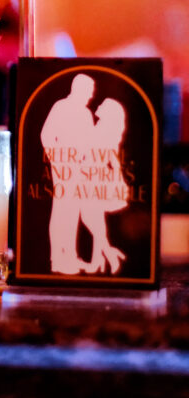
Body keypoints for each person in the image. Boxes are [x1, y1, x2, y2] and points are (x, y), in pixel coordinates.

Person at [40, 73, 96, 274]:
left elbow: (90, 142)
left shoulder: (86, 113)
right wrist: (57, 158)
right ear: (78, 89)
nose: (90, 96)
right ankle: (57, 258)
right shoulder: (61, 107)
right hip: (63, 168)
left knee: (74, 212)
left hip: (80, 170)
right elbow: (46, 135)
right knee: (63, 210)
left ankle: (70, 256)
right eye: (88, 91)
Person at [80, 97, 128, 274]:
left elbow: (108, 154)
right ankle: (105, 256)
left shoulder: (105, 130)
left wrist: (115, 176)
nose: (98, 105)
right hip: (91, 174)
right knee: (93, 219)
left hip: (96, 175)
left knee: (92, 217)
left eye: (102, 105)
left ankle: (100, 259)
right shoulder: (101, 127)